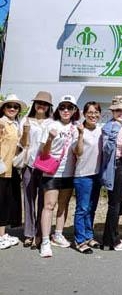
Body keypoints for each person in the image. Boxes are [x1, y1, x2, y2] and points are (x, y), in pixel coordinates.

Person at [38, 95, 80, 258]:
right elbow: (43, 153)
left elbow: (78, 151)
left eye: (69, 107)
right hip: (51, 171)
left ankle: (58, 234)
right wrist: (50, 138)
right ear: (58, 109)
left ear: (74, 110)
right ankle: (45, 241)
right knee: (49, 205)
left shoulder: (76, 127)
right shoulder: (51, 125)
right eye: (62, 107)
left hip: (69, 172)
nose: (66, 110)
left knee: (63, 204)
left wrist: (81, 135)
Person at [19, 91, 53, 249]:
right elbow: (22, 143)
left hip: (45, 165)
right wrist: (26, 131)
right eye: (39, 103)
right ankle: (29, 233)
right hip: (29, 164)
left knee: (43, 201)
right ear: (34, 104)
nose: (42, 106)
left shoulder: (52, 122)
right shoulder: (25, 120)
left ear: (49, 107)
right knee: (29, 199)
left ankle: (40, 233)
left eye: (45, 104)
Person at [100, 95, 122, 252]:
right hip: (115, 166)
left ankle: (110, 236)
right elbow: (106, 151)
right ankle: (110, 240)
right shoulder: (109, 127)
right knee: (115, 204)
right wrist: (112, 136)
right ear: (112, 111)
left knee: (121, 202)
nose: (121, 113)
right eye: (118, 110)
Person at [73, 101, 103, 254]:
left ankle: (89, 236)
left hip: (97, 174)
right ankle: (79, 240)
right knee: (82, 208)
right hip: (82, 175)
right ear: (84, 114)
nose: (93, 115)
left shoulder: (101, 130)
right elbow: (78, 152)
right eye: (90, 112)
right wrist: (80, 135)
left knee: (91, 208)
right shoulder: (78, 129)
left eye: (96, 112)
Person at [0, 95, 28, 250]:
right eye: (9, 106)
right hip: (1, 169)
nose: (12, 109)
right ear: (3, 108)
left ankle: (3, 233)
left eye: (15, 107)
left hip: (11, 169)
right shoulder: (2, 123)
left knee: (6, 202)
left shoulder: (15, 124)